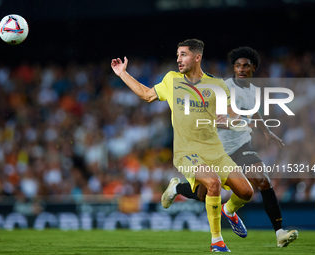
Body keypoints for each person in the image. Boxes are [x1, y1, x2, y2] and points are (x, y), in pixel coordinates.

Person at [111, 39, 254, 252]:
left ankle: (226, 209)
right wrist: (123, 73)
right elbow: (147, 94)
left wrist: (237, 123)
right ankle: (217, 241)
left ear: (197, 57)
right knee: (212, 182)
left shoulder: (217, 85)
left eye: (184, 55)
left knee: (245, 193)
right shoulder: (171, 80)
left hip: (215, 151)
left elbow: (232, 117)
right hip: (186, 152)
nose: (178, 59)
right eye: (177, 55)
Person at [161, 46, 298, 248]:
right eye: (237, 66)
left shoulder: (254, 91)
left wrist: (266, 130)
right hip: (216, 149)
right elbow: (212, 118)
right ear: (233, 68)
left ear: (254, 68)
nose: (241, 69)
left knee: (262, 180)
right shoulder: (221, 87)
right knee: (203, 194)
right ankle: (177, 188)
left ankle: (279, 232)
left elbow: (254, 111)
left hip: (242, 146)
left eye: (245, 66)